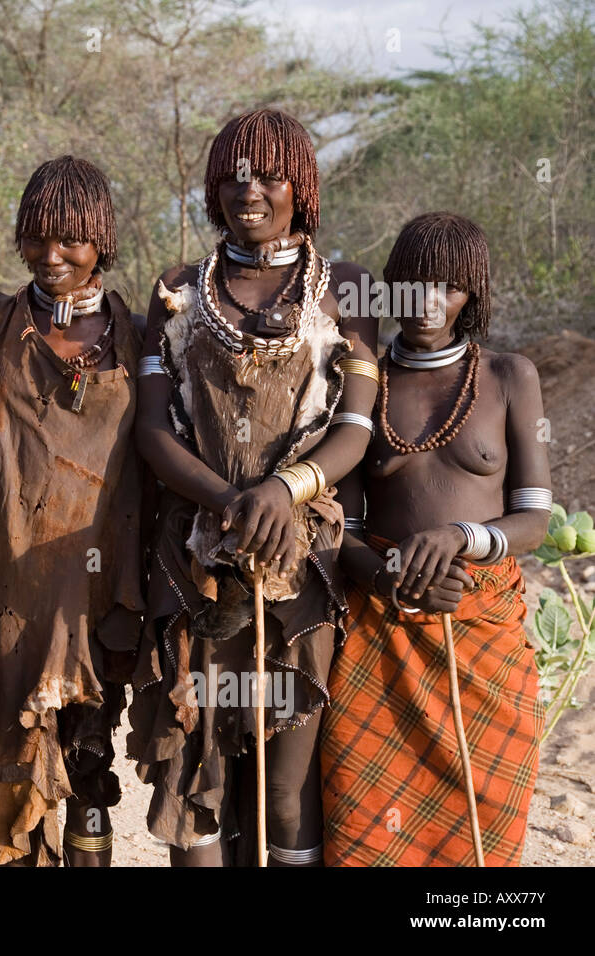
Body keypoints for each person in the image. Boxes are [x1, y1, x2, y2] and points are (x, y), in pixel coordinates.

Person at [127, 108, 380, 866]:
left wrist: (285, 490)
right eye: (234, 175)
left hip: (300, 560)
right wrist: (230, 500)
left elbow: (357, 427)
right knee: (195, 764)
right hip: (196, 557)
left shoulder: (348, 288)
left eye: (270, 175)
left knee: (285, 785)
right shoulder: (176, 290)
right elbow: (152, 430)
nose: (251, 190)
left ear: (300, 185)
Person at [321, 212, 550, 866]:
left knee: (489, 819)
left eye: (448, 288)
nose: (427, 303)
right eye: (413, 285)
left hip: (482, 627)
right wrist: (383, 574)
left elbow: (534, 518)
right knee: (365, 821)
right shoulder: (362, 381)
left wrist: (461, 537)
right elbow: (345, 528)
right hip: (382, 629)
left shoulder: (511, 377)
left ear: (472, 295)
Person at [0, 155, 145, 867]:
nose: (52, 256)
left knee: (86, 766)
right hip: (2, 589)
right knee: (8, 758)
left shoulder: (138, 337)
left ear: (102, 243)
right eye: (37, 238)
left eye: (71, 241)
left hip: (94, 590)